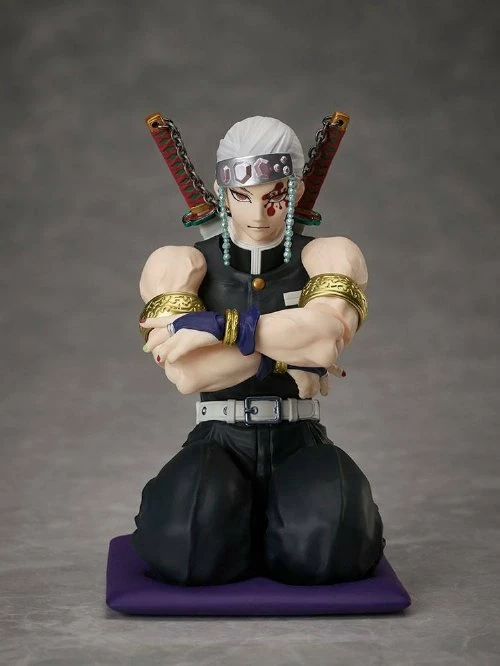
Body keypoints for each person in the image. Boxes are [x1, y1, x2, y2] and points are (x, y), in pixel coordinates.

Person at [133, 116, 384, 586]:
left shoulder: (331, 255)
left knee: (331, 546)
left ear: (297, 190)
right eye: (242, 196)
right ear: (220, 192)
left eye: (275, 196)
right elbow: (188, 374)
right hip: (218, 439)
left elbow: (325, 340)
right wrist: (288, 352)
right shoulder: (177, 263)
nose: (258, 214)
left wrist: (219, 327)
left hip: (298, 438)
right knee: (187, 541)